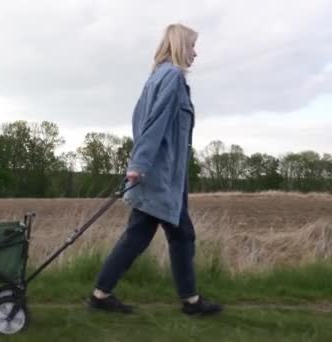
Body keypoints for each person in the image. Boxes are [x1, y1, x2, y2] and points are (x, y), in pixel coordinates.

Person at [88, 24, 222, 316]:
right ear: (179, 46)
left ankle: (102, 294)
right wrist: (139, 164)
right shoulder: (172, 77)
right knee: (176, 235)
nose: (195, 53)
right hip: (160, 177)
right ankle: (191, 302)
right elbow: (153, 124)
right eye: (192, 46)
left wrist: (140, 163)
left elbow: (140, 121)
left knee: (156, 235)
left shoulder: (155, 78)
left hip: (161, 176)